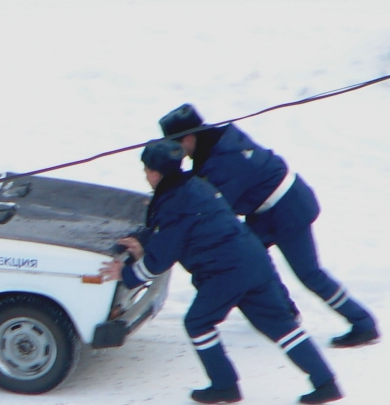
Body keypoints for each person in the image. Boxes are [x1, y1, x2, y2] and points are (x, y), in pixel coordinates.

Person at [98, 139, 342, 405]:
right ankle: (325, 382)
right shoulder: (194, 185)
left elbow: (162, 258)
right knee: (281, 325)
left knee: (198, 322)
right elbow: (175, 234)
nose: (145, 175)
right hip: (253, 259)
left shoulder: (174, 203)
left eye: (146, 170)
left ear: (155, 173)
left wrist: (126, 274)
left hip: (226, 272)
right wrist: (145, 246)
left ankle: (224, 385)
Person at [159, 103, 379, 348]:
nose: (174, 152)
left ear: (189, 139)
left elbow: (213, 205)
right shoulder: (215, 144)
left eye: (174, 145)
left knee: (309, 273)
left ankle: (363, 323)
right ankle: (284, 312)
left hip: (288, 208)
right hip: (265, 210)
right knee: (252, 255)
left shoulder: (223, 159)